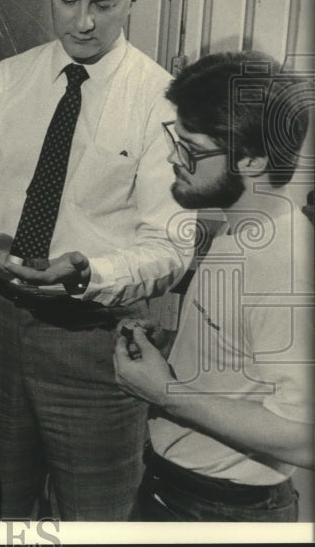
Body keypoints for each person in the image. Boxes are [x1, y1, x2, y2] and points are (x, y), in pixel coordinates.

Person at [0, 0, 193, 520]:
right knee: (1, 511)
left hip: (95, 344)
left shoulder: (162, 103)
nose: (83, 22)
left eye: (103, 5)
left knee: (96, 518)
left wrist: (85, 271)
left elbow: (171, 248)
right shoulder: (3, 83)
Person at [114, 51, 313, 522]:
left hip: (221, 510)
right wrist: (177, 353)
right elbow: (247, 360)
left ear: (251, 158)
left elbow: (305, 437)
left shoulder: (284, 266)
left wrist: (165, 393)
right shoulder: (244, 226)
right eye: (174, 139)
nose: (172, 157)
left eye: (191, 149)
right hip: (182, 490)